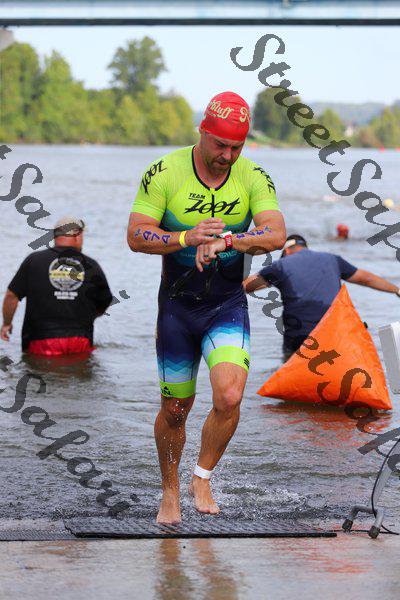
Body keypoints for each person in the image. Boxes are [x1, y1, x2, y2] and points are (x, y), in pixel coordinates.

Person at [127, 91, 286, 524]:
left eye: (237, 147)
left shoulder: (254, 176)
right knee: (175, 409)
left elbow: (275, 234)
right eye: (220, 145)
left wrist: (228, 239)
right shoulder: (164, 172)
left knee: (230, 395)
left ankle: (202, 476)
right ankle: (170, 490)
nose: (227, 156)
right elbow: (137, 235)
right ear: (203, 131)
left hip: (226, 305)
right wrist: (186, 237)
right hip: (177, 308)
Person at [244, 233, 400, 359]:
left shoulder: (280, 266)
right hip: (336, 334)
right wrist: (396, 290)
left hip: (300, 338)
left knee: (294, 369)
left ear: (287, 251)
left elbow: (245, 287)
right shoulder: (333, 259)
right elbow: (366, 279)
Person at [1, 216, 113, 355]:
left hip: (40, 340)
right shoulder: (91, 265)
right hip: (80, 341)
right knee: (80, 366)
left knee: (39, 367)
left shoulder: (34, 261)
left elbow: (11, 296)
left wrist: (7, 323)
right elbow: (105, 300)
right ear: (77, 235)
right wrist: (89, 317)